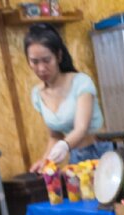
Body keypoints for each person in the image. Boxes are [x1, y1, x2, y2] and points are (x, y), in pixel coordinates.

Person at [26, 24, 111, 172]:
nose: (41, 68)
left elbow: (81, 128)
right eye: (34, 61)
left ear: (58, 56)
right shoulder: (37, 94)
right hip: (75, 158)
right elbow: (55, 135)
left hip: (100, 153)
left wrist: (63, 146)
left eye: (46, 60)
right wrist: (45, 162)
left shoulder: (81, 82)